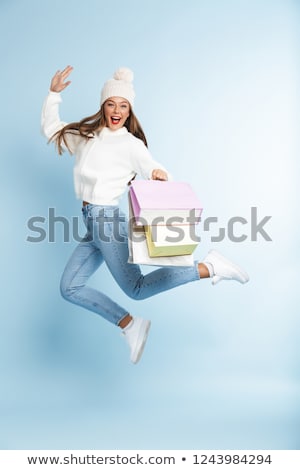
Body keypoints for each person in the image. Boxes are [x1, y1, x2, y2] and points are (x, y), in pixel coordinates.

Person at [41, 65, 249, 364]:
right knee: (69, 288)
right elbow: (53, 131)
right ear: (103, 106)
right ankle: (129, 324)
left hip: (106, 220)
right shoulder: (87, 136)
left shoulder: (130, 144)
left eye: (123, 105)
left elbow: (151, 166)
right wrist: (53, 95)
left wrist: (157, 174)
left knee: (136, 288)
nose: (117, 110)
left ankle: (207, 267)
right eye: (112, 103)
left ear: (129, 111)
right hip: (93, 222)